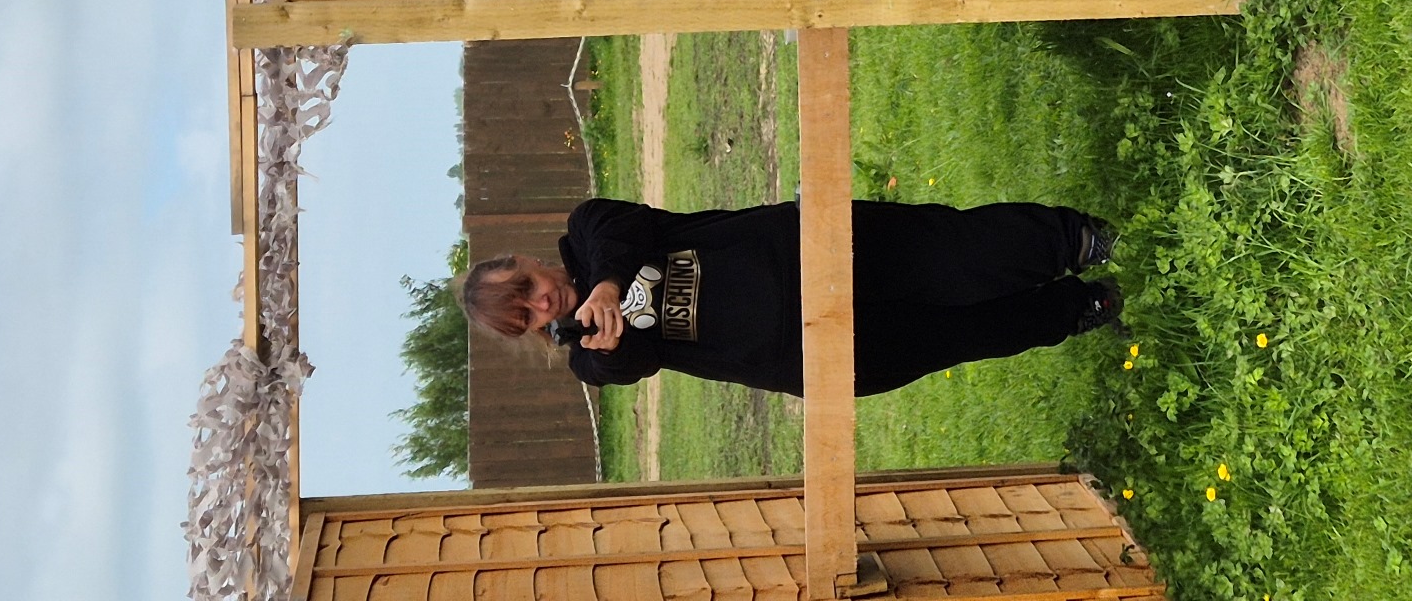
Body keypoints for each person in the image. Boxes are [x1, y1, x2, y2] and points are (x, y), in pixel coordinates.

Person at [461, 196, 1122, 395]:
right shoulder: (588, 358)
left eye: (527, 289)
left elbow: (621, 233)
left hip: (808, 247)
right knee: (962, 335)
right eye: (525, 317)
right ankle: (1079, 307)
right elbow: (626, 367)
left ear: (526, 261)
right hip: (811, 356)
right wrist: (608, 343)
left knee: (950, 253)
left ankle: (1077, 241)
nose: (541, 305)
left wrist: (608, 284)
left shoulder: (588, 231)